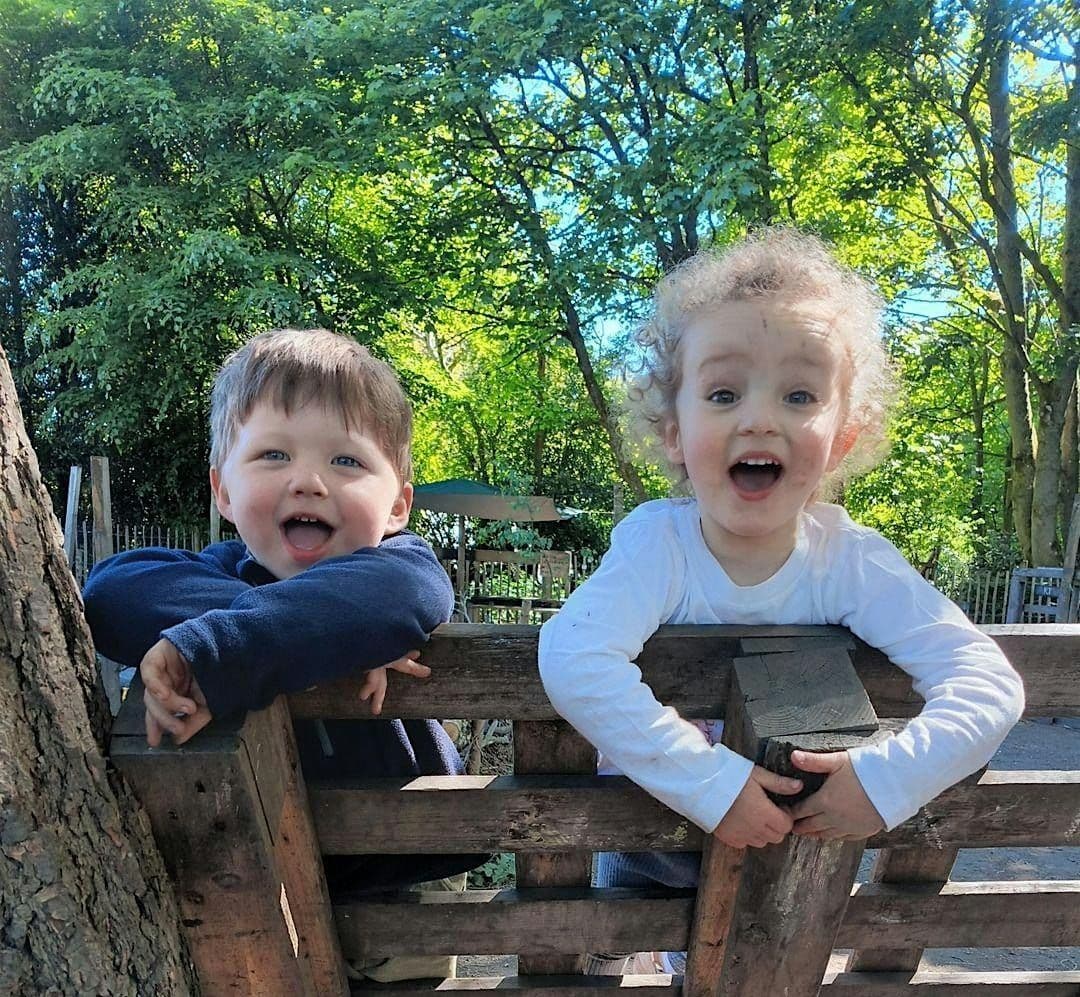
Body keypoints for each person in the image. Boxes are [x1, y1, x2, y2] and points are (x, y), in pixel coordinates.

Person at [537, 228, 1025, 975]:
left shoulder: (850, 559)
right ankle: (616, 961)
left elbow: (990, 685)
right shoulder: (658, 548)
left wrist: (882, 778)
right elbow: (571, 654)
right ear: (675, 431)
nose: (759, 419)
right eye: (724, 393)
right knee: (621, 932)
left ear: (841, 438)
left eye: (799, 395)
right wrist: (710, 779)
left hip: (790, 850)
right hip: (654, 832)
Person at [84, 327, 482, 981]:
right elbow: (110, 592)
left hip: (402, 907)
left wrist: (329, 626)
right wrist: (323, 635)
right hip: (255, 899)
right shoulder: (221, 572)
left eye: (346, 462)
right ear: (222, 490)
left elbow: (399, 598)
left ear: (400, 505)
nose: (308, 481)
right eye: (273, 455)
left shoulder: (395, 569)